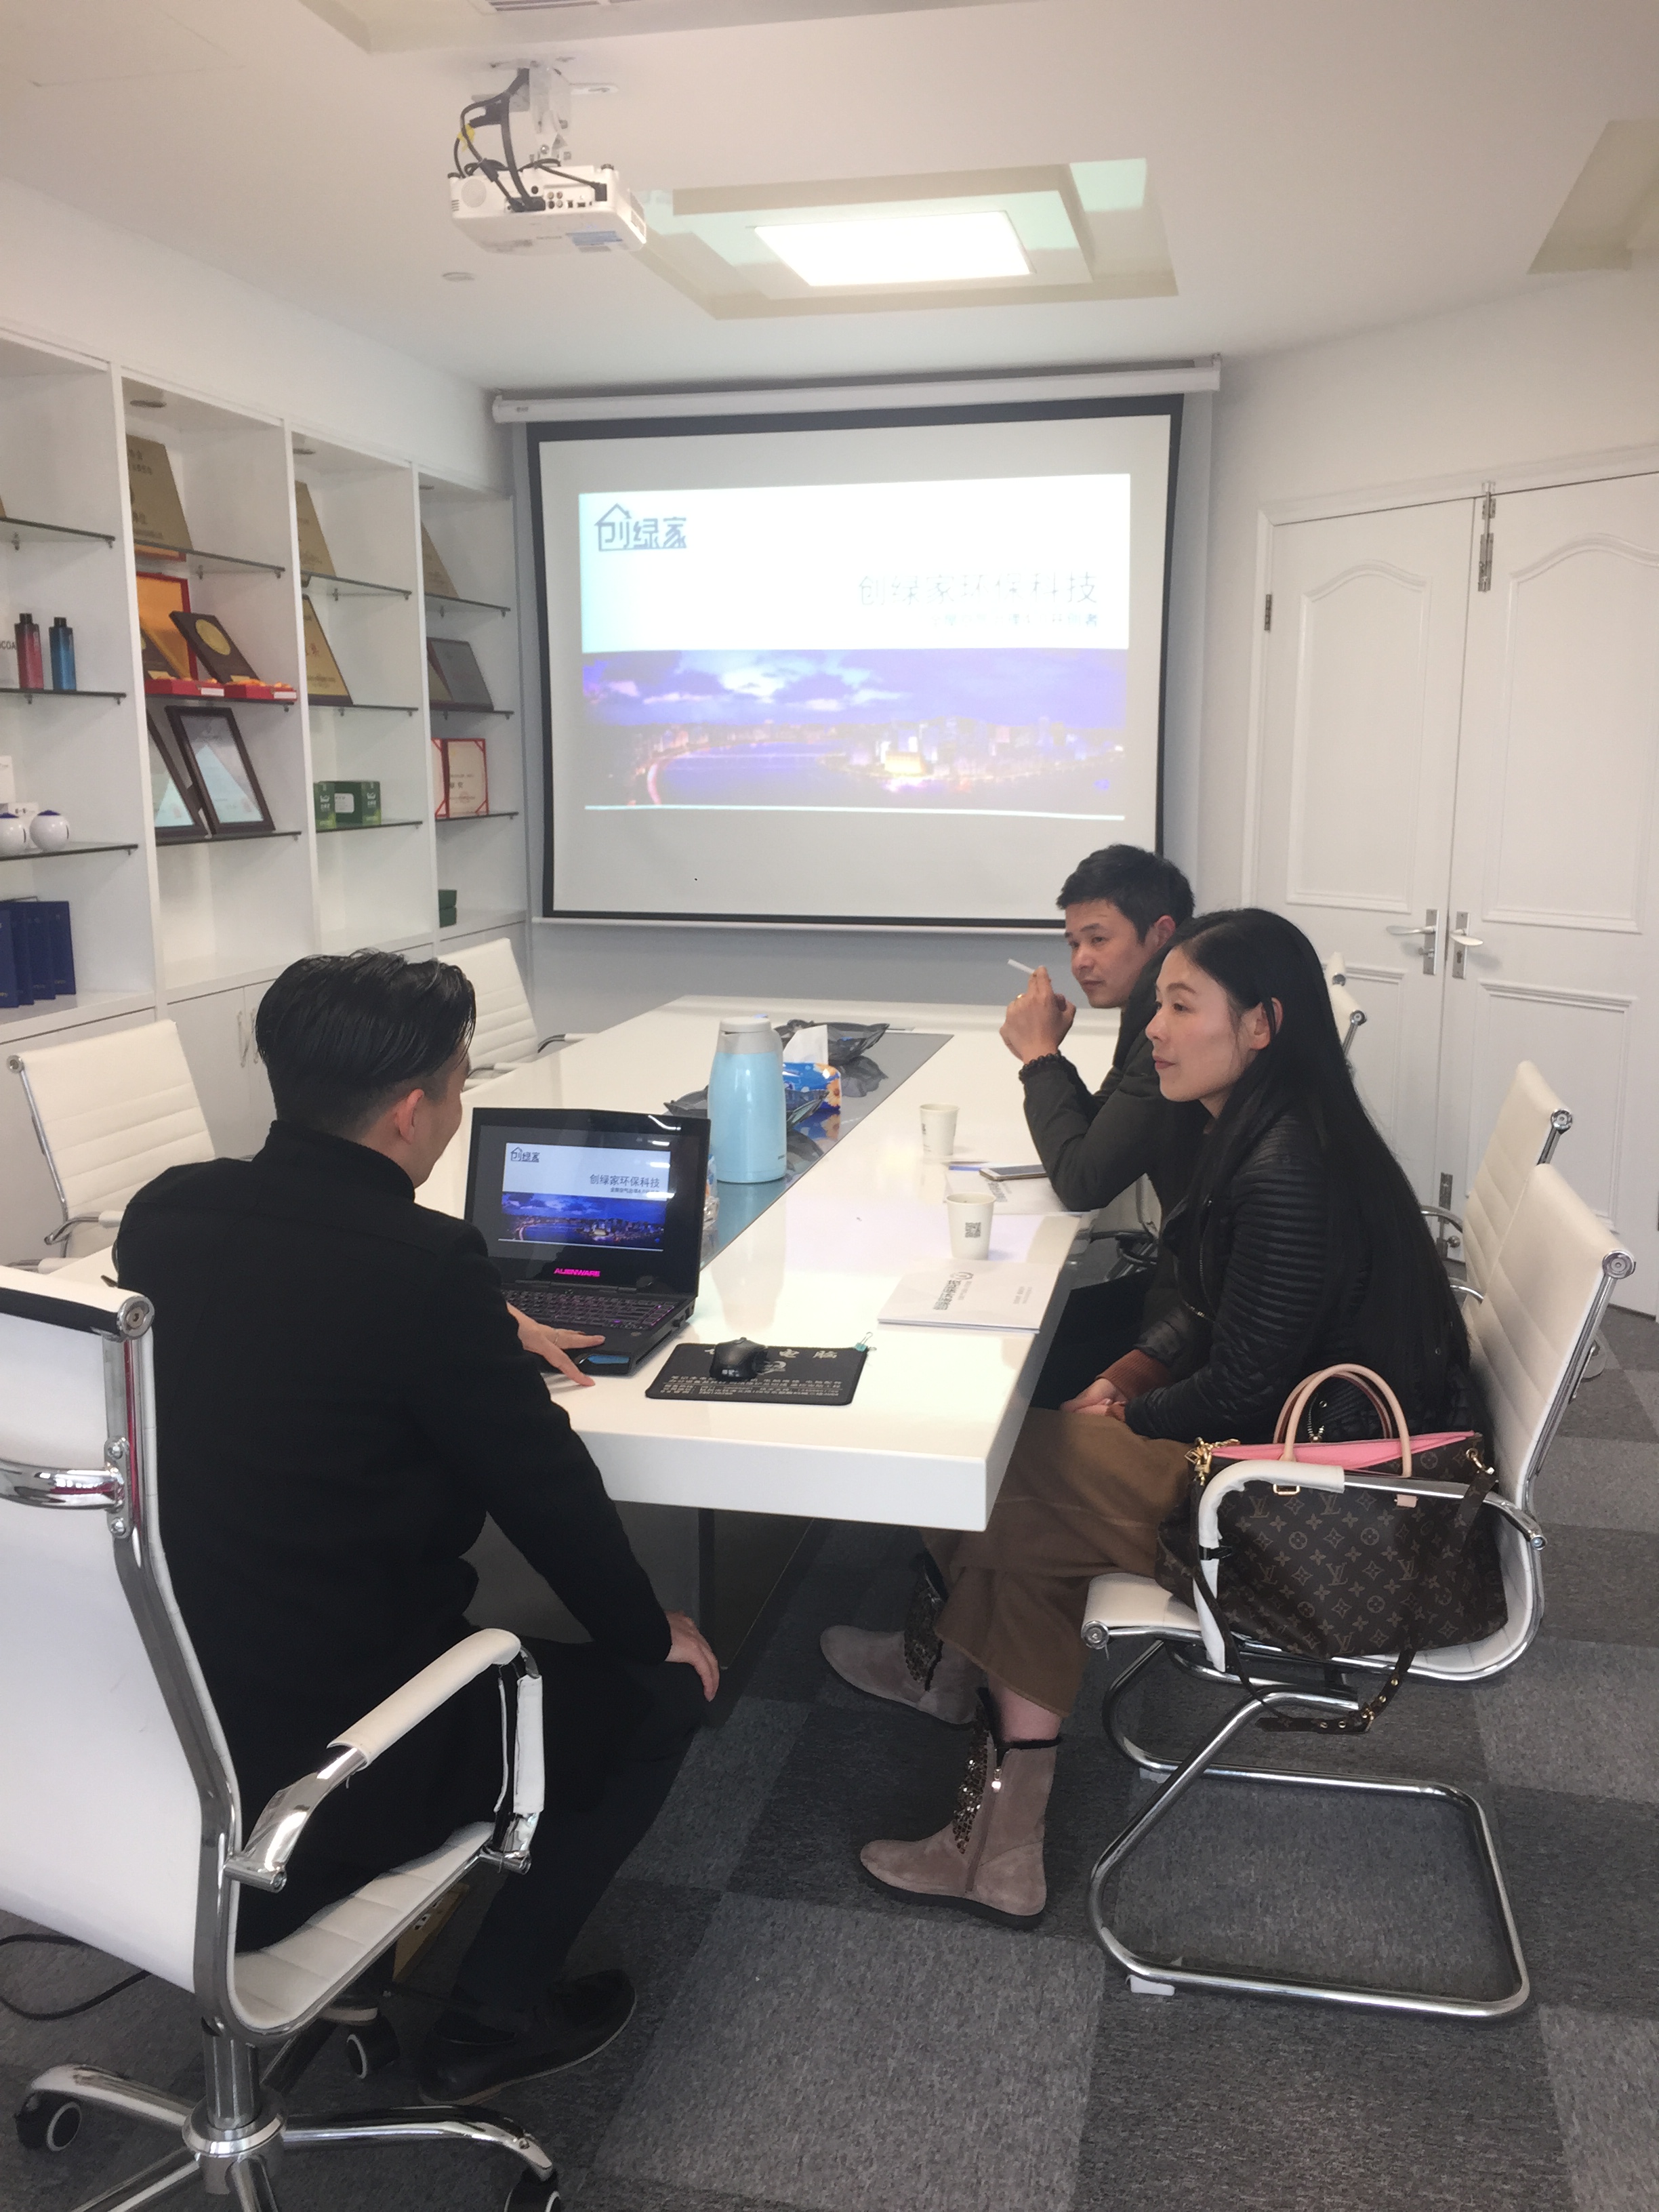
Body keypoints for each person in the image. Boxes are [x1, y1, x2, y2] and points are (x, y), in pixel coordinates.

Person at [115, 949, 720, 2104]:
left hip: (158, 1700)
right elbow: (546, 1492)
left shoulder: (168, 1210)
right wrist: (653, 1635)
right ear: (411, 1111)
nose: (453, 1107)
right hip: (329, 1753)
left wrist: (480, 1316)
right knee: (658, 1699)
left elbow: (282, 1291)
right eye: (456, 1085)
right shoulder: (427, 1266)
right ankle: (491, 2019)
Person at [825, 909, 1479, 1925]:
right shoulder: (1268, 1124)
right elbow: (1218, 1310)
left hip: (1317, 1502)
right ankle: (992, 1830)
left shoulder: (1287, 1166)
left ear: (1260, 1024)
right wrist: (1130, 1374)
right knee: (1012, 1499)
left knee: (986, 1476)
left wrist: (1131, 1415)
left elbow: (1245, 1383)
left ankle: (984, 1803)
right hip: (1295, 1456)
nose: (1154, 1032)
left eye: (1180, 1007)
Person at [1000, 845, 1207, 1410]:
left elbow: (1083, 1181)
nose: (1081, 961)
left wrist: (1039, 1057)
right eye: (1073, 944)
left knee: (1012, 1374)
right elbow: (1102, 1129)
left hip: (1193, 1314)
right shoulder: (1149, 1014)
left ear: (1160, 934)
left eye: (1098, 939)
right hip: (1183, 1289)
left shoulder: (1175, 1034)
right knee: (1018, 1337)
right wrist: (1051, 1057)